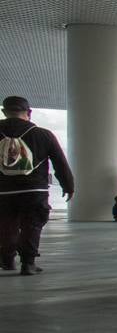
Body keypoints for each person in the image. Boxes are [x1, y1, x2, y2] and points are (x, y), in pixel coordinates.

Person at [0, 96, 74, 275]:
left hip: (3, 190)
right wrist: (68, 185)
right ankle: (28, 263)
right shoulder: (43, 134)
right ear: (29, 113)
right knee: (32, 225)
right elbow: (60, 163)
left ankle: (7, 260)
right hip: (34, 189)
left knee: (5, 223)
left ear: (4, 112)